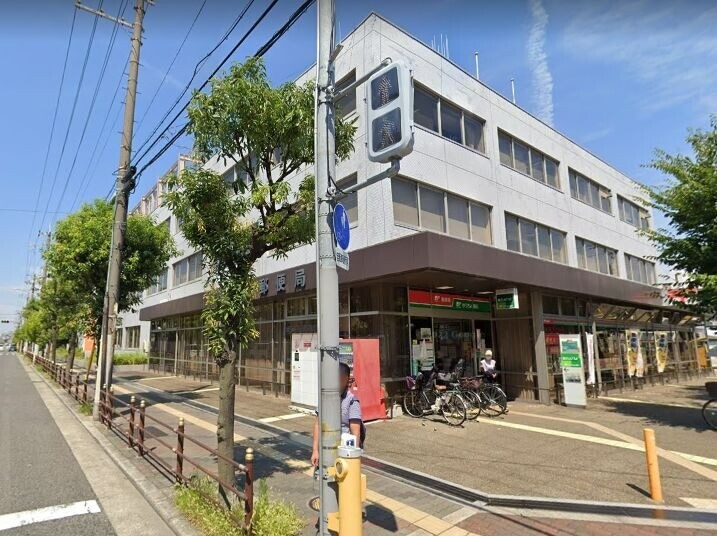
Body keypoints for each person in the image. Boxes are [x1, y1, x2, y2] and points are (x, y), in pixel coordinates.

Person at [311, 362, 363, 466]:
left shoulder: (352, 401)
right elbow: (317, 424)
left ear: (346, 379)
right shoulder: (325, 397)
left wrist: (353, 459)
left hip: (343, 453)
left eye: (338, 377)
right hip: (325, 450)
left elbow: (355, 432)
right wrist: (315, 450)